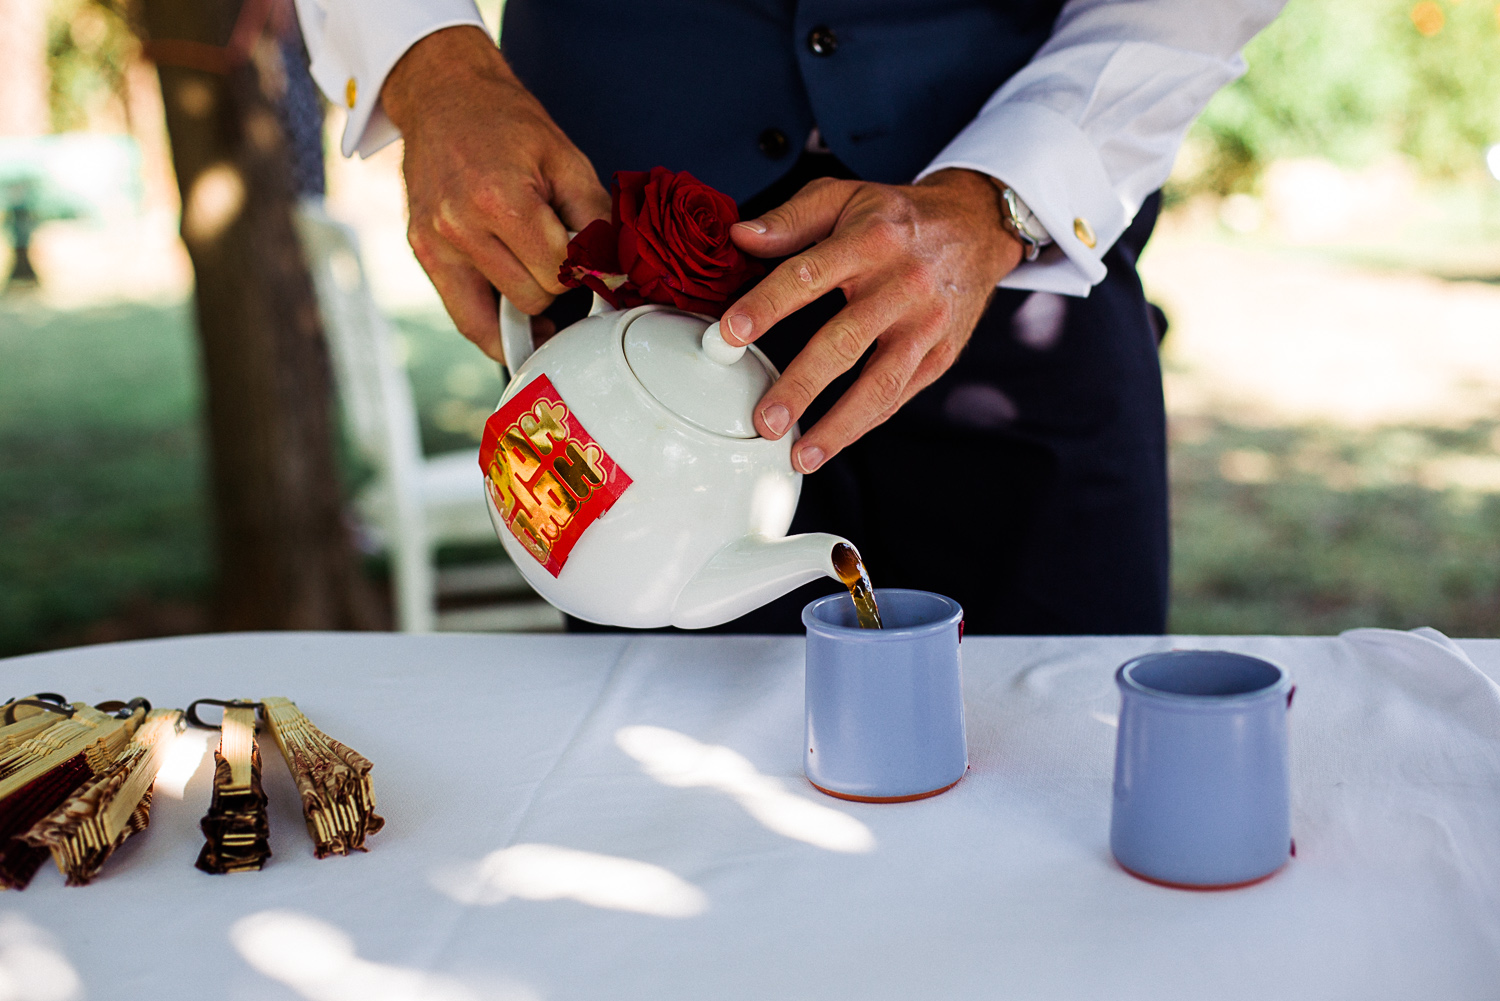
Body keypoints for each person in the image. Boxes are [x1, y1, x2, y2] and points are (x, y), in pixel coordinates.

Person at [292, 0, 1286, 634]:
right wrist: (428, 66)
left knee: (1058, 773)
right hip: (624, 304)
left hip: (1021, 288)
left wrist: (1008, 196)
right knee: (663, 794)